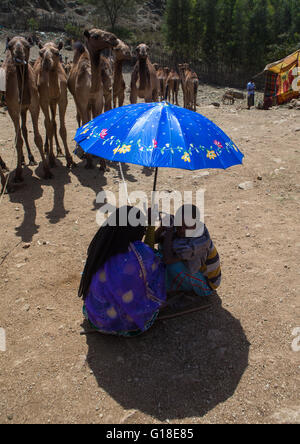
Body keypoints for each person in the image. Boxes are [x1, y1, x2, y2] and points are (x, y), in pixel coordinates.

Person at [78, 206, 167, 337]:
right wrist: (152, 227)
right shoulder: (139, 253)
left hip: (97, 316)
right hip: (123, 322)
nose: (142, 232)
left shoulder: (103, 246)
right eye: (141, 229)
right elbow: (155, 264)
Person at [155, 204, 221, 297]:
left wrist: (169, 231)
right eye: (179, 226)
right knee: (164, 245)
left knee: (172, 265)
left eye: (186, 226)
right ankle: (174, 282)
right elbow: (155, 240)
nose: (181, 230)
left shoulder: (199, 242)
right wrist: (162, 227)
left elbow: (168, 260)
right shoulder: (180, 226)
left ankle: (184, 288)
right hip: (195, 272)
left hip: (206, 284)